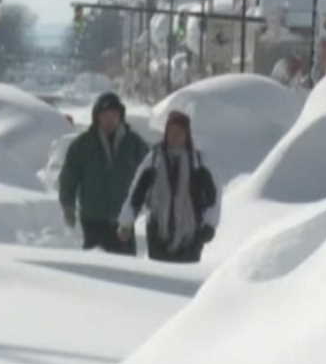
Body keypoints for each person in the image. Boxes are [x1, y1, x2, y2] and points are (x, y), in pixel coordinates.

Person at [118, 110, 219, 263]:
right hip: (157, 235)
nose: (175, 136)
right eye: (171, 132)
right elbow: (136, 194)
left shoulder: (198, 162)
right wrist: (126, 222)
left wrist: (210, 225)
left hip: (191, 238)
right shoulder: (154, 159)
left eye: (180, 132)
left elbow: (214, 198)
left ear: (187, 135)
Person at [59, 92, 149, 254]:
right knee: (95, 270)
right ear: (97, 117)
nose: (110, 120)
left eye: (114, 115)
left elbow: (150, 175)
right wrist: (68, 205)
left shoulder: (134, 144)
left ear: (120, 116)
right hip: (92, 219)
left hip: (123, 221)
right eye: (105, 115)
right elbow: (69, 177)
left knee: (125, 269)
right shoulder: (83, 145)